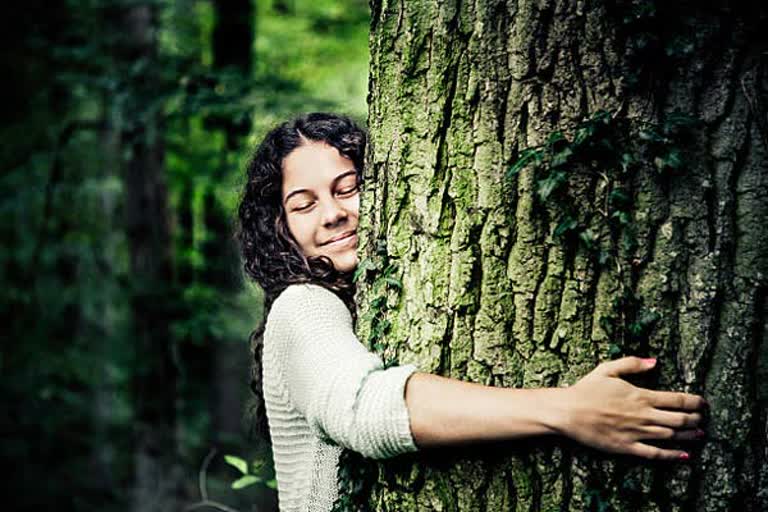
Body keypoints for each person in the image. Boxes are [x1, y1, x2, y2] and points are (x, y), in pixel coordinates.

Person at [237, 113, 707, 512]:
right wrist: (568, 410)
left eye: (349, 188)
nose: (333, 214)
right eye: (304, 205)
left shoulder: (366, 301)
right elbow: (363, 408)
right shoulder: (301, 306)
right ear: (280, 228)